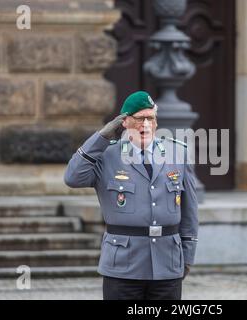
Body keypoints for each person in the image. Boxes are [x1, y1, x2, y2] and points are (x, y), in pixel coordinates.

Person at [64, 91, 198, 300]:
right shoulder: (106, 155)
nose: (145, 125)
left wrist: (187, 255)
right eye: (139, 119)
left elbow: (189, 211)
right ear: (124, 122)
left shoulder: (176, 154)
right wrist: (101, 137)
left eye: (150, 118)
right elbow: (72, 178)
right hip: (123, 265)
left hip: (167, 262)